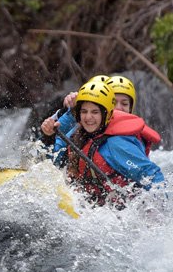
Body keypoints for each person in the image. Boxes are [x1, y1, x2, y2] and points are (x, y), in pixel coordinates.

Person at [56, 77, 164, 206]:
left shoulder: (117, 144)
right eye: (84, 111)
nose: (89, 116)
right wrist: (64, 117)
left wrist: (157, 211)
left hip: (118, 209)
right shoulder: (84, 134)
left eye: (124, 103)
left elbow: (151, 174)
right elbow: (56, 155)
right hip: (92, 203)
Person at [41, 74, 160, 164]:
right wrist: (69, 112)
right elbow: (55, 156)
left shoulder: (126, 139)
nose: (118, 108)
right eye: (114, 103)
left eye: (124, 103)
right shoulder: (82, 130)